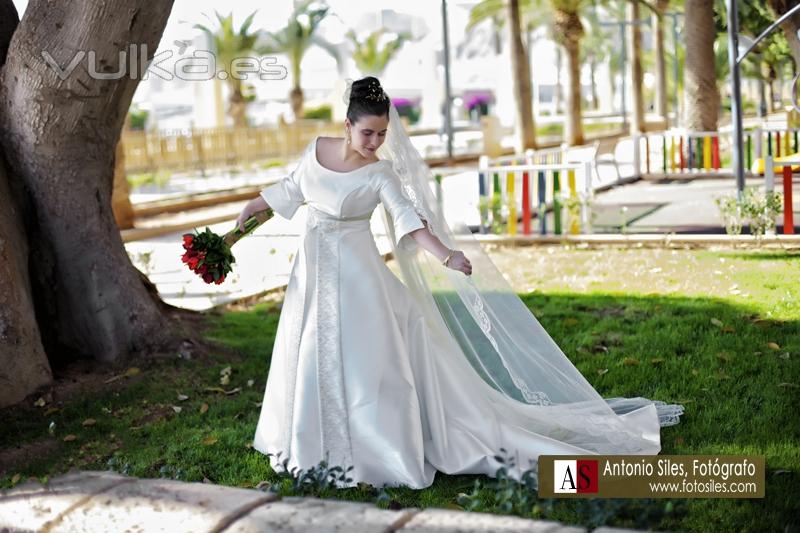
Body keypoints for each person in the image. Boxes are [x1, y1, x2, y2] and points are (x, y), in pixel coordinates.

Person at [236, 76, 684, 490]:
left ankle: (376, 451)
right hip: (312, 273)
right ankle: (310, 444)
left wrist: (446, 254)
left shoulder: (380, 173)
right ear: (347, 124)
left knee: (367, 363)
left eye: (382, 134)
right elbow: (289, 189)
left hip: (358, 280)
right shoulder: (316, 151)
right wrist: (248, 211)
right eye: (367, 132)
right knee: (310, 348)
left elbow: (408, 221)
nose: (375, 142)